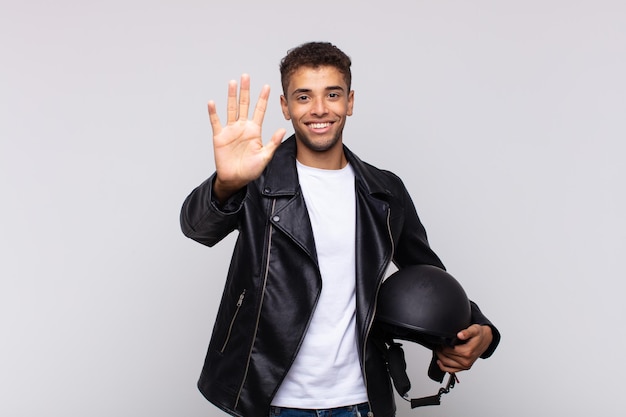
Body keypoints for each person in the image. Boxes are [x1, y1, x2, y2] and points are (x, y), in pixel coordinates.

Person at [180, 41, 500, 417]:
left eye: (332, 94)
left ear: (349, 102)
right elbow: (198, 228)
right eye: (303, 96)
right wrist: (226, 183)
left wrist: (481, 328)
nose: (319, 109)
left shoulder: (384, 190)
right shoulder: (256, 179)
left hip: (360, 400)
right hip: (272, 401)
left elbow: (427, 275)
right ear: (285, 107)